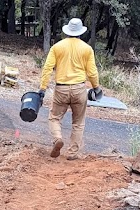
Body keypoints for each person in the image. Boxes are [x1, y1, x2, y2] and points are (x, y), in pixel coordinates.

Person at [39, 18, 101, 160]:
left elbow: (47, 68)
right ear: (81, 32)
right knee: (78, 123)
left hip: (61, 89)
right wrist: (96, 87)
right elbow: (92, 72)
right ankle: (72, 153)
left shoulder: (57, 47)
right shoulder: (87, 49)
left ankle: (57, 139)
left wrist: (42, 88)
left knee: (54, 118)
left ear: (67, 31)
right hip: (79, 89)